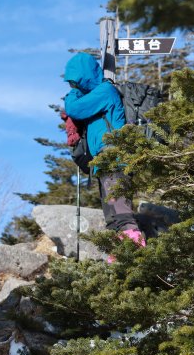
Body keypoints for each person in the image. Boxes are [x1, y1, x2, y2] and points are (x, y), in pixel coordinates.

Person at [62, 52, 146, 261]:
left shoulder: (105, 90)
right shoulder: (97, 93)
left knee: (121, 210)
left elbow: (74, 108)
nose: (74, 86)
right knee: (111, 215)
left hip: (114, 157)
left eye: (76, 81)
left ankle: (134, 252)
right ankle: (119, 254)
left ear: (86, 76)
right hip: (103, 161)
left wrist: (71, 94)